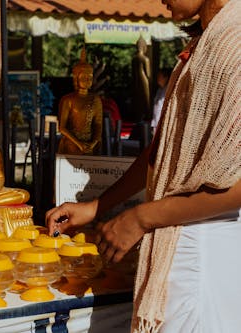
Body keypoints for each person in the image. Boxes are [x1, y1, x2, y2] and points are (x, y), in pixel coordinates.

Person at [46, 1, 241, 332]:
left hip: (206, 254)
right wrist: (97, 206)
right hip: (182, 244)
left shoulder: (234, 45)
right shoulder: (207, 42)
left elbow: (237, 188)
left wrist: (140, 217)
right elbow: (163, 149)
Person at [57, 48, 103, 155]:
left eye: (90, 78)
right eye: (84, 78)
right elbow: (62, 128)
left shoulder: (96, 100)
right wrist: (79, 144)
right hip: (72, 144)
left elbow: (98, 125)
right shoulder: (68, 100)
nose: (87, 81)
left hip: (90, 145)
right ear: (76, 79)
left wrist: (93, 143)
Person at [131, 36, 151, 122]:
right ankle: (146, 116)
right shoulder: (145, 59)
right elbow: (148, 74)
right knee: (146, 99)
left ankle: (137, 116)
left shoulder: (134, 59)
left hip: (136, 80)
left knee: (137, 98)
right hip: (144, 80)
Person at [150, 68, 172, 134]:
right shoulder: (160, 90)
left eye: (159, 76)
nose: (158, 78)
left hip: (163, 123)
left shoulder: (168, 90)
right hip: (156, 122)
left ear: (166, 77)